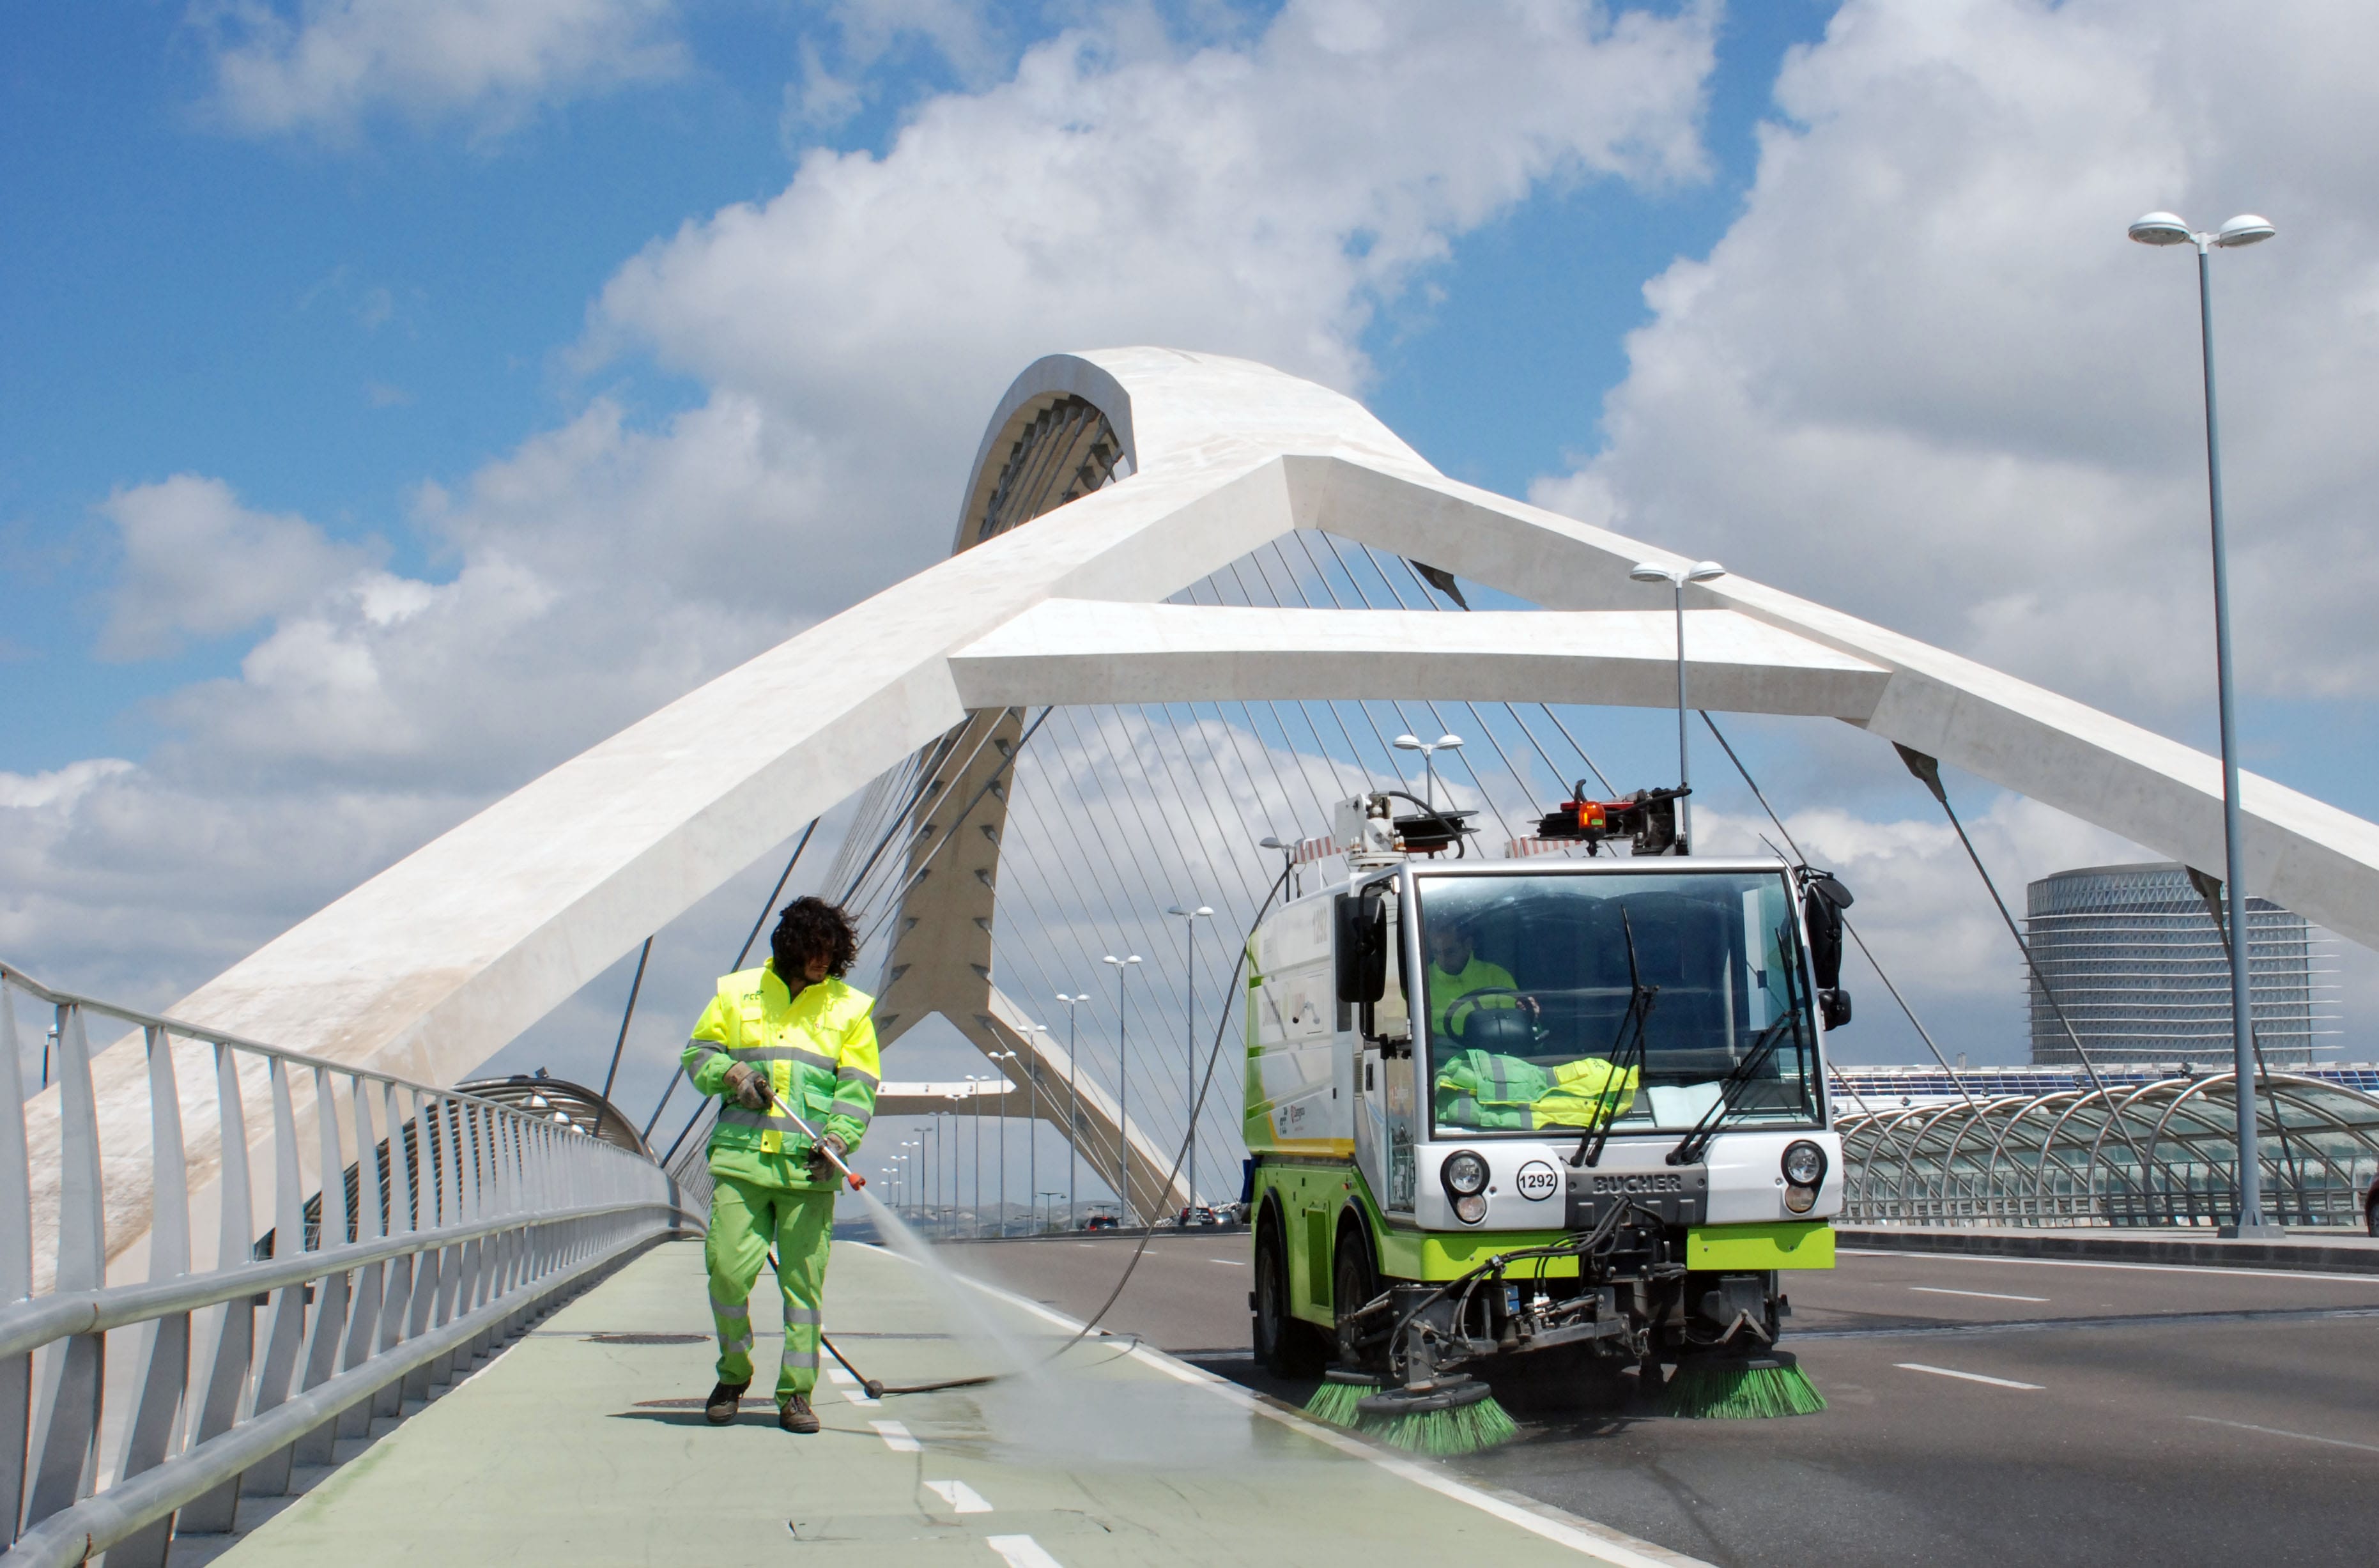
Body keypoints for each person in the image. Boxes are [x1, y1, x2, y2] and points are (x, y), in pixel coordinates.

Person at [683, 896, 878, 1434]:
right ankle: (733, 1374)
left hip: (807, 1173)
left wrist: (838, 1139)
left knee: (803, 1291)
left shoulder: (851, 1008)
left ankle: (795, 1395)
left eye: (831, 954)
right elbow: (697, 1055)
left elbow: (857, 1090)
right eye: (815, 951)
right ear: (792, 946)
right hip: (742, 1164)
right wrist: (733, 1077)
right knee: (726, 1273)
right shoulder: (735, 993)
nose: (823, 962)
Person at [1423, 916, 1520, 1038]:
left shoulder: (1498, 977)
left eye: (1450, 952)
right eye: (1436, 952)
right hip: (1441, 1055)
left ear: (1468, 945)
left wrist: (1528, 1017)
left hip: (1493, 1051)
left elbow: (1518, 1034)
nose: (1442, 960)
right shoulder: (1422, 982)